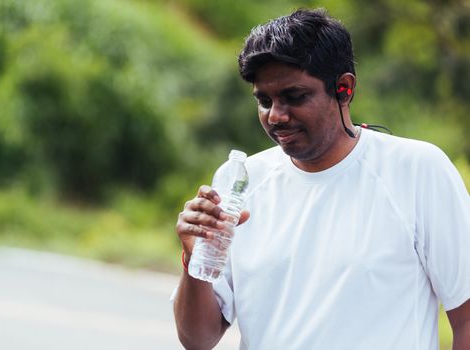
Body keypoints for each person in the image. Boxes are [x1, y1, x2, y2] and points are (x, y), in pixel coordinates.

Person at [173, 8, 470, 350]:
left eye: (294, 97)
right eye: (264, 101)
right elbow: (198, 339)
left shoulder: (416, 170)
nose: (276, 116)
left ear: (344, 88)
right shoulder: (240, 182)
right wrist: (192, 259)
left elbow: (465, 318)